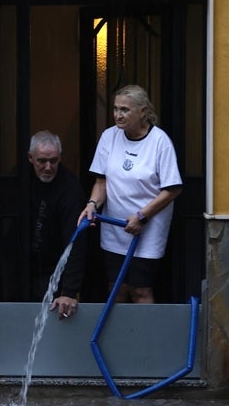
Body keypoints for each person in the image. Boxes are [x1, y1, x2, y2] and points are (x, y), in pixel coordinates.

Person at [80, 85, 183, 304]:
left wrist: (142, 216)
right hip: (115, 226)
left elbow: (173, 188)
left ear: (143, 111)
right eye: (116, 109)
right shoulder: (109, 136)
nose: (118, 115)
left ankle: (145, 338)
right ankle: (116, 338)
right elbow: (101, 181)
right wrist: (91, 204)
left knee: (140, 289)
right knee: (116, 288)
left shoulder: (159, 141)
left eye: (125, 110)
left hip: (147, 227)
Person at [26, 130, 86, 319]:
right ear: (30, 158)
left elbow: (76, 241)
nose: (48, 167)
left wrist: (69, 291)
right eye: (42, 161)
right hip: (23, 269)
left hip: (55, 269)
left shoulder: (70, 188)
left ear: (60, 158)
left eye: (54, 161)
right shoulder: (19, 181)